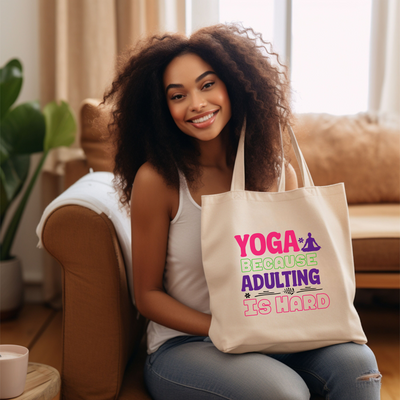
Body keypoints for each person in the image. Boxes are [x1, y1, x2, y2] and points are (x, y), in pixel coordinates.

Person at [101, 23, 381, 400]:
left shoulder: (278, 171)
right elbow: (147, 295)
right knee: (283, 393)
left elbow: (297, 271)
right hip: (189, 344)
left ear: (234, 84)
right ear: (162, 108)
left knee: (357, 367)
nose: (197, 103)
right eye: (177, 95)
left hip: (280, 333)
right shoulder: (159, 180)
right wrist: (225, 325)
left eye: (207, 85)